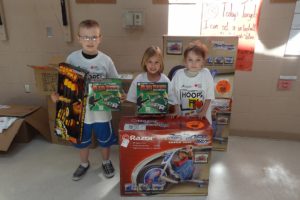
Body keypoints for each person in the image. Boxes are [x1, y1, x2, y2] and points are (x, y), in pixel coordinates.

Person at [51, 19, 124, 181]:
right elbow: (64, 83)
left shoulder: (106, 60)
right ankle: (84, 164)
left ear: (100, 38)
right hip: (80, 112)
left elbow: (115, 81)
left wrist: (119, 93)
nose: (89, 41)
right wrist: (57, 95)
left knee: (105, 140)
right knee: (82, 140)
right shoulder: (72, 59)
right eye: (85, 37)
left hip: (101, 112)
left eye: (93, 37)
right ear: (79, 38)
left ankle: (106, 161)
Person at [171, 40, 215, 124]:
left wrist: (203, 112)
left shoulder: (206, 74)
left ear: (203, 61)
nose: (194, 63)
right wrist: (177, 110)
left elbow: (209, 97)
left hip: (202, 119)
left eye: (198, 60)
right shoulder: (178, 75)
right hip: (183, 119)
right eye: (190, 60)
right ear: (185, 61)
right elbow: (174, 95)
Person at [126, 46, 177, 113]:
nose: (153, 66)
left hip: (161, 118)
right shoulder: (139, 79)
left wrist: (163, 108)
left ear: (160, 64)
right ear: (145, 62)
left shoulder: (165, 80)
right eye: (150, 62)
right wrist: (138, 112)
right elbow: (132, 100)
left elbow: (172, 101)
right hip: (142, 118)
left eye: (156, 62)